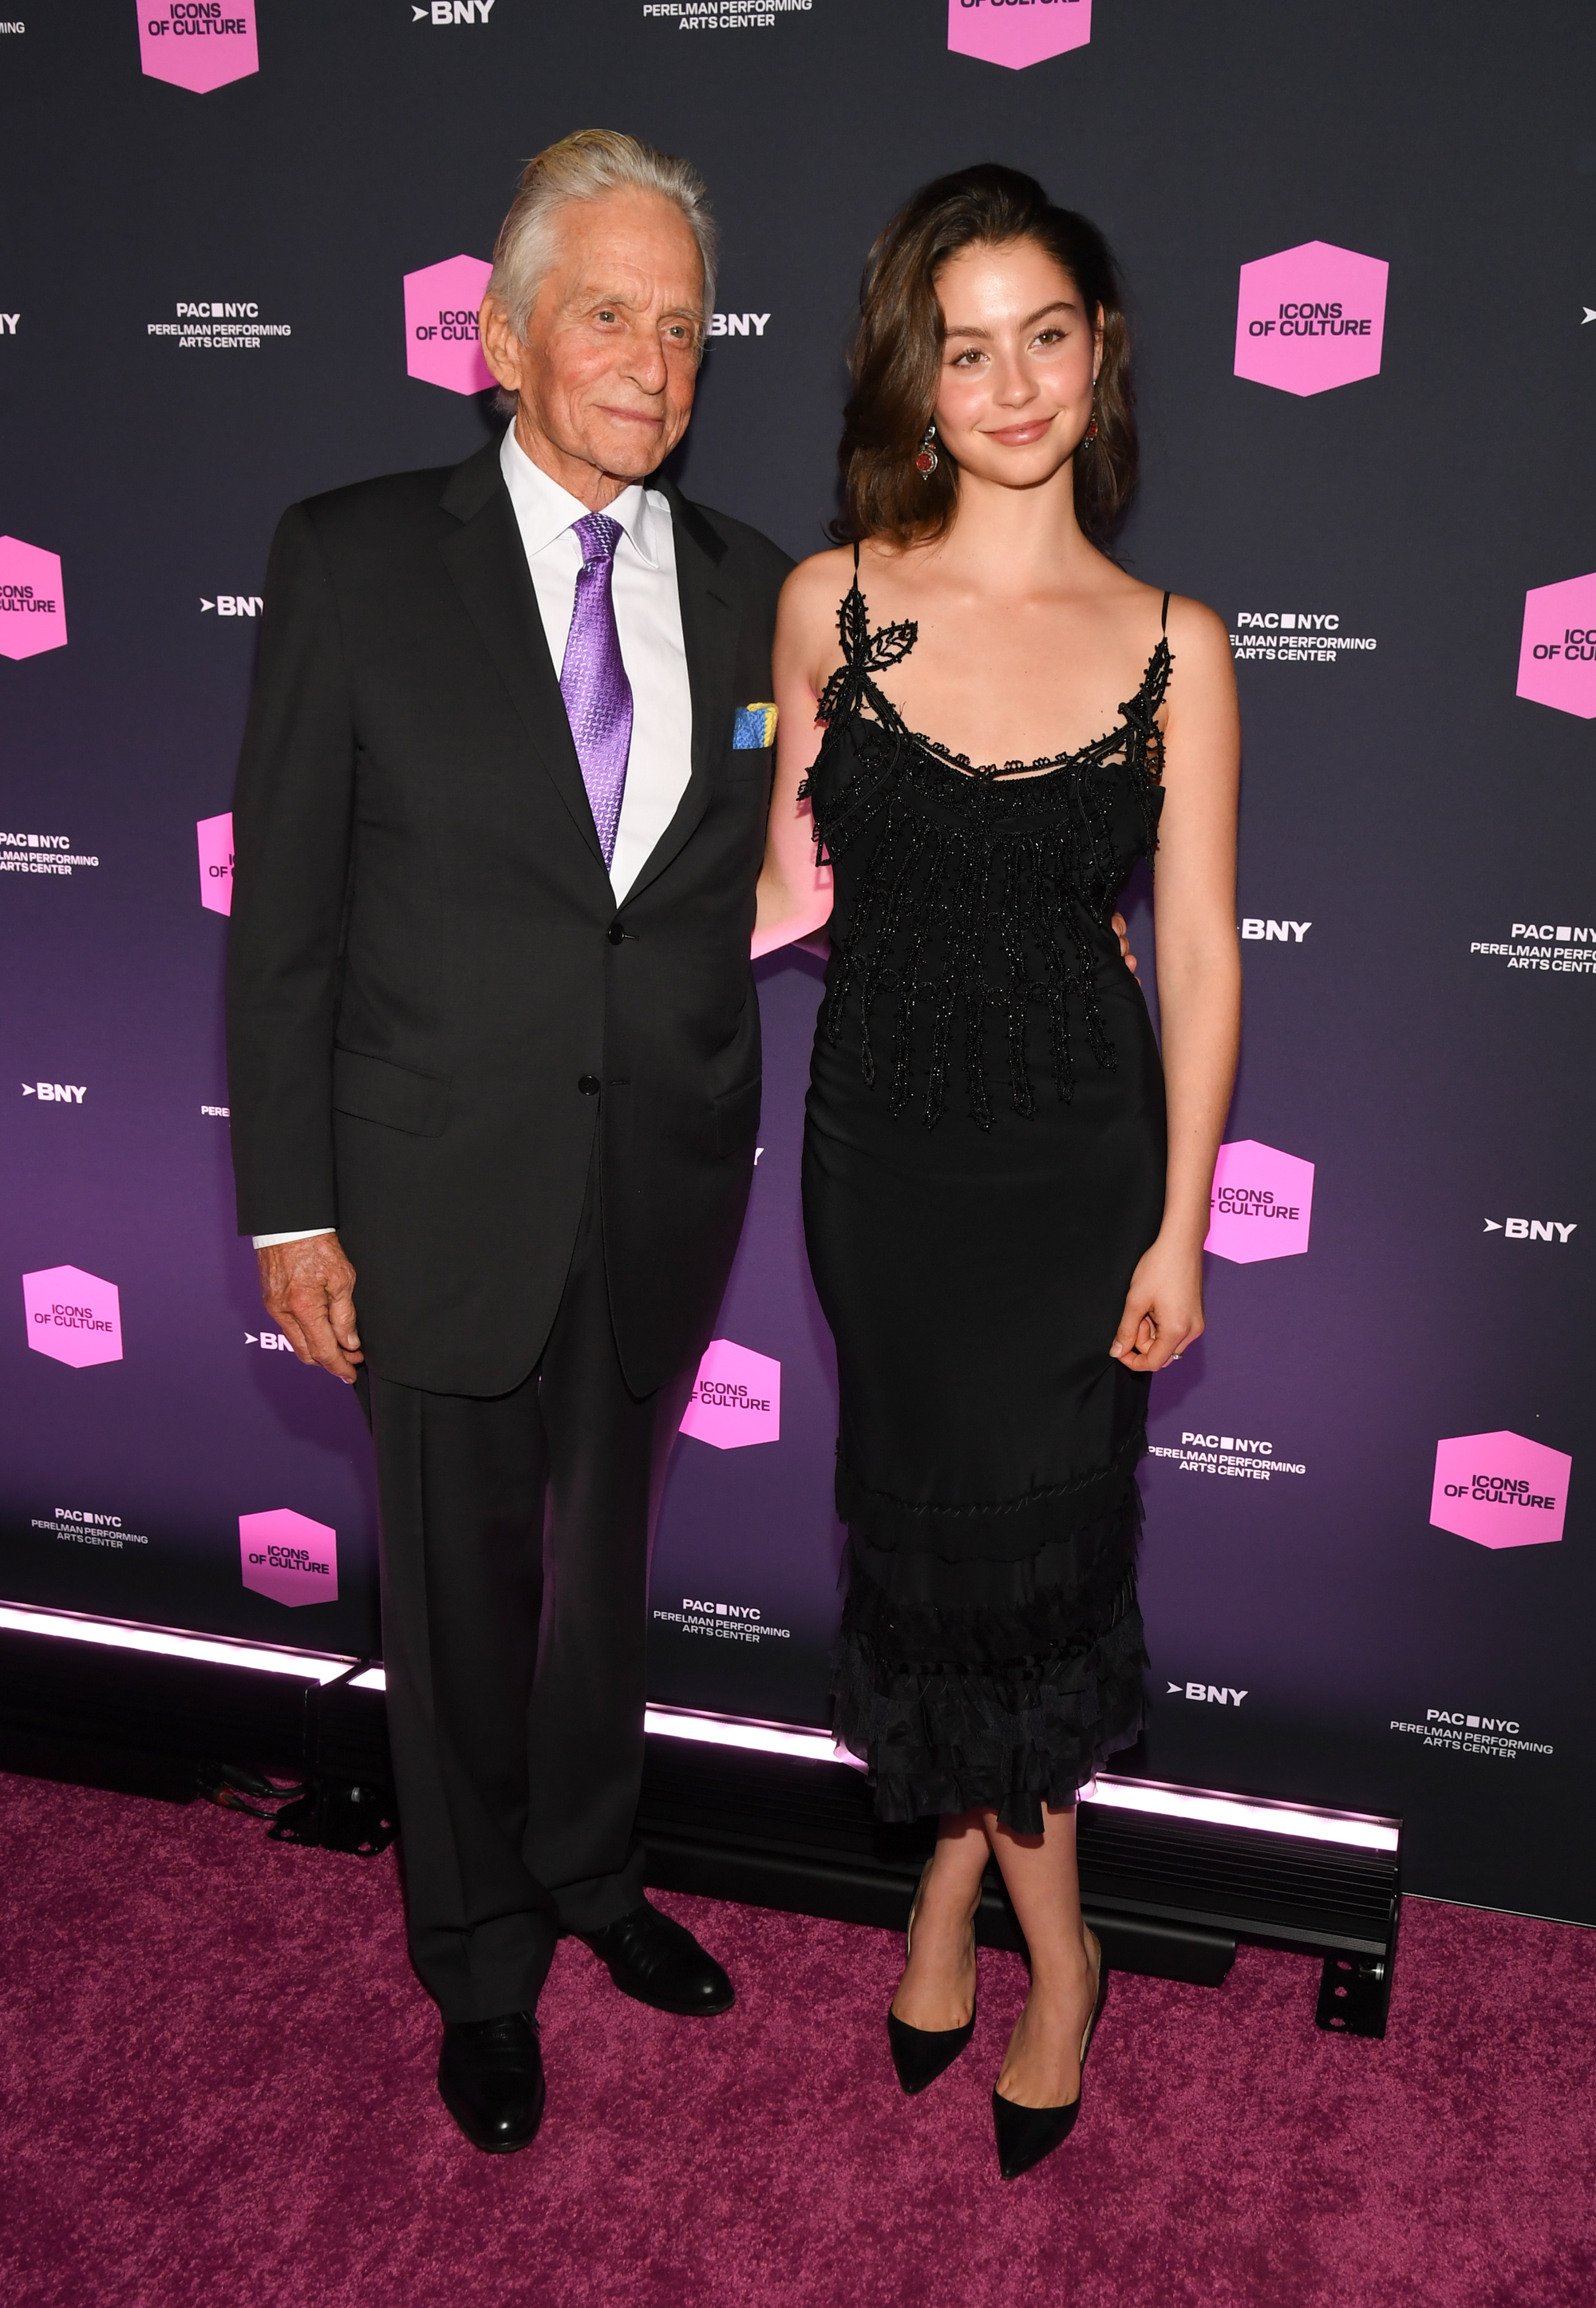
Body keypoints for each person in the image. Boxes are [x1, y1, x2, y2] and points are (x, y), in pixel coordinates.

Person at [226, 131, 793, 2155]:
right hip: (427, 1184)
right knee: (460, 1598)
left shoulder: (751, 592)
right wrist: (288, 1206)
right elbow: (281, 916)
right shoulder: (356, 553)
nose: (650, 360)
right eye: (606, 313)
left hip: (652, 1180)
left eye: (682, 326)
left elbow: (742, 874)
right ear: (500, 334)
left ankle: (593, 1878)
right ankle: (476, 1955)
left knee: (606, 1579)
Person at [755, 165, 1241, 2179]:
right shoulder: (828, 600)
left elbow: (1198, 945)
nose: (1012, 380)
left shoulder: (1175, 645)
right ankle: (976, 1887)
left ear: (1098, 351)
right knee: (923, 1544)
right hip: (884, 1172)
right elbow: (787, 880)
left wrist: (1183, 1218)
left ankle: (1044, 1935)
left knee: (1036, 1576)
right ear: (917, 377)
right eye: (967, 345)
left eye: (1047, 332)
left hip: (1072, 1183)